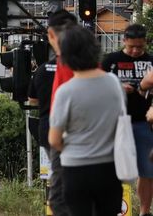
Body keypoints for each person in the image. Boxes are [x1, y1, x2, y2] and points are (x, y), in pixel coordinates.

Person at [49, 25, 124, 216]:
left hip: (76, 169)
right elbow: (120, 120)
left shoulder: (65, 92)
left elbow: (54, 140)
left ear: (66, 56)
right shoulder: (114, 84)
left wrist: (75, 147)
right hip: (109, 168)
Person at [103, 24, 153, 216]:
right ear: (124, 41)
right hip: (116, 122)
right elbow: (98, 84)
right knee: (112, 168)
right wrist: (117, 86)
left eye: (139, 47)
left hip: (144, 123)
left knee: (147, 171)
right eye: (131, 46)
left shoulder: (150, 61)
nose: (135, 51)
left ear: (145, 43)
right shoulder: (111, 60)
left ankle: (144, 211)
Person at [44, 9, 77, 216]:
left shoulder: (66, 62)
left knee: (60, 201)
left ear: (50, 35)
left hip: (68, 141)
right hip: (93, 145)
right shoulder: (95, 65)